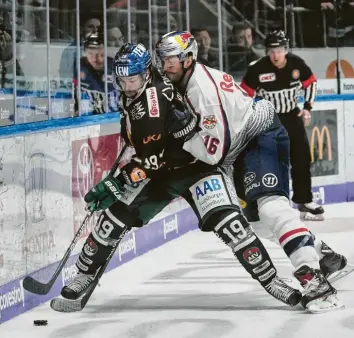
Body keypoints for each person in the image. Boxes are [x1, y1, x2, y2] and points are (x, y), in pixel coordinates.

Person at [60, 42, 302, 308]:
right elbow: (143, 151)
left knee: (232, 225)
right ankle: (83, 275)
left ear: (146, 73)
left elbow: (150, 160)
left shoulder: (153, 103)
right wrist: (120, 179)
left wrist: (118, 182)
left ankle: (272, 281)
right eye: (123, 80)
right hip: (163, 170)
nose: (128, 86)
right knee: (113, 219)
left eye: (133, 79)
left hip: (196, 167)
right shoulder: (139, 92)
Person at [155, 30, 344, 313]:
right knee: (255, 223)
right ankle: (326, 256)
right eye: (163, 60)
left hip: (259, 135)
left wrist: (183, 136)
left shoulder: (201, 91)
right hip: (239, 147)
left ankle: (313, 278)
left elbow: (213, 152)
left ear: (188, 59)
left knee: (271, 207)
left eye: (170, 60)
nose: (165, 66)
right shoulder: (184, 80)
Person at [239, 30, 323, 221]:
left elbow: (311, 83)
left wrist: (308, 107)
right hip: (268, 120)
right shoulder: (257, 68)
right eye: (271, 51)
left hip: (293, 117)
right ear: (267, 51)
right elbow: (243, 94)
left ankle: (304, 200)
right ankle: (268, 205)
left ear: (285, 49)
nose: (276, 55)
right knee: (270, 163)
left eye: (279, 50)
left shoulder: (297, 64)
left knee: (301, 159)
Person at [73, 30, 118, 115]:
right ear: (84, 54)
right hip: (90, 120)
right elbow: (74, 92)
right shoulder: (79, 68)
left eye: (102, 55)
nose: (99, 60)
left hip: (115, 121)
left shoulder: (115, 68)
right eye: (92, 55)